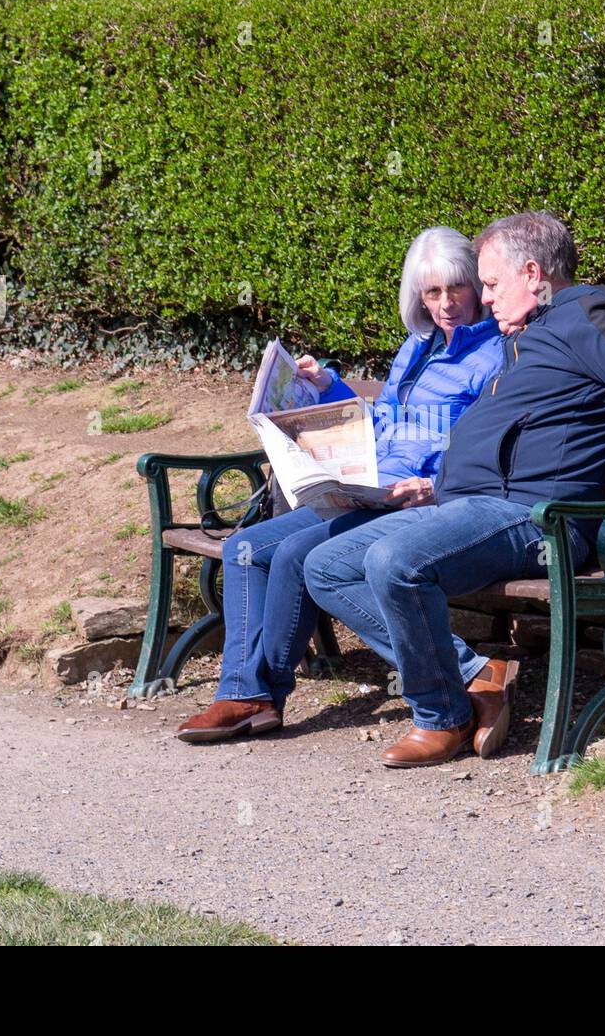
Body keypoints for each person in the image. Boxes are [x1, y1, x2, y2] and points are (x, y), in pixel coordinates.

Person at [303, 211, 605, 767]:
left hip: (536, 517)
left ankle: (441, 716)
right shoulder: (533, 333)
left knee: (394, 559)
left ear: (533, 272)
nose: (484, 299)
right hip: (471, 505)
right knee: (326, 565)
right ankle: (477, 679)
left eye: (491, 284)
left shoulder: (589, 315)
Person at [177, 227, 504, 742]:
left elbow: (483, 443)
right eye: (432, 292)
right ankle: (242, 692)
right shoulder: (417, 348)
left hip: (413, 502)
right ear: (417, 295)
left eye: (457, 288)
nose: (446, 304)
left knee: (291, 556)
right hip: (369, 486)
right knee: (244, 547)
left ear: (478, 287)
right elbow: (384, 423)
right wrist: (329, 389)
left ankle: (262, 694)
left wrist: (433, 485)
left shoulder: (495, 355)